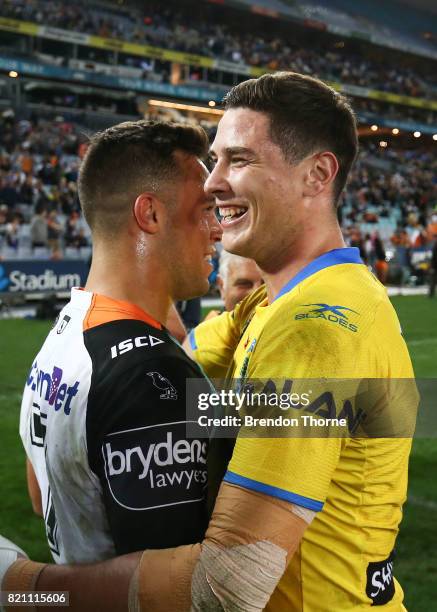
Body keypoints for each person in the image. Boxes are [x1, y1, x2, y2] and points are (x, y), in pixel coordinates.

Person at [2, 72, 417, 611]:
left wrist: (22, 588)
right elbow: (193, 379)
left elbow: (228, 587)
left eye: (238, 160)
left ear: (318, 174)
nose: (213, 183)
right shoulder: (268, 306)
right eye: (215, 160)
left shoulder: (312, 327)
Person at [18, 120, 219, 564]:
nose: (217, 230)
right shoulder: (152, 376)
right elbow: (170, 589)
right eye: (206, 210)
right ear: (150, 214)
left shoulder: (63, 334)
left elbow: (40, 498)